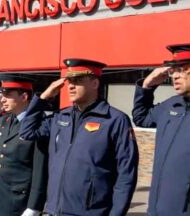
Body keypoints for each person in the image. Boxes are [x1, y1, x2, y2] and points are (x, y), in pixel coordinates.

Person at [19, 58, 139, 216]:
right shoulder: (61, 116)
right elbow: (27, 131)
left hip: (90, 211)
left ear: (94, 84)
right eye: (69, 81)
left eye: (78, 80)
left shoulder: (115, 119)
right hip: (55, 209)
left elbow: (126, 172)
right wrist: (43, 99)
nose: (71, 86)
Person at [132, 44, 190, 215]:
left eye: (182, 69)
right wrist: (147, 86)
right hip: (157, 209)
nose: (175, 76)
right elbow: (141, 117)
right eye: (173, 70)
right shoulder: (171, 105)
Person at [0, 74, 48, 216]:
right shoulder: (4, 120)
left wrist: (34, 207)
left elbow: (40, 169)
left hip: (18, 201)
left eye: (7, 95)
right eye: (2, 94)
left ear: (24, 97)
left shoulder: (39, 125)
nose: (2, 99)